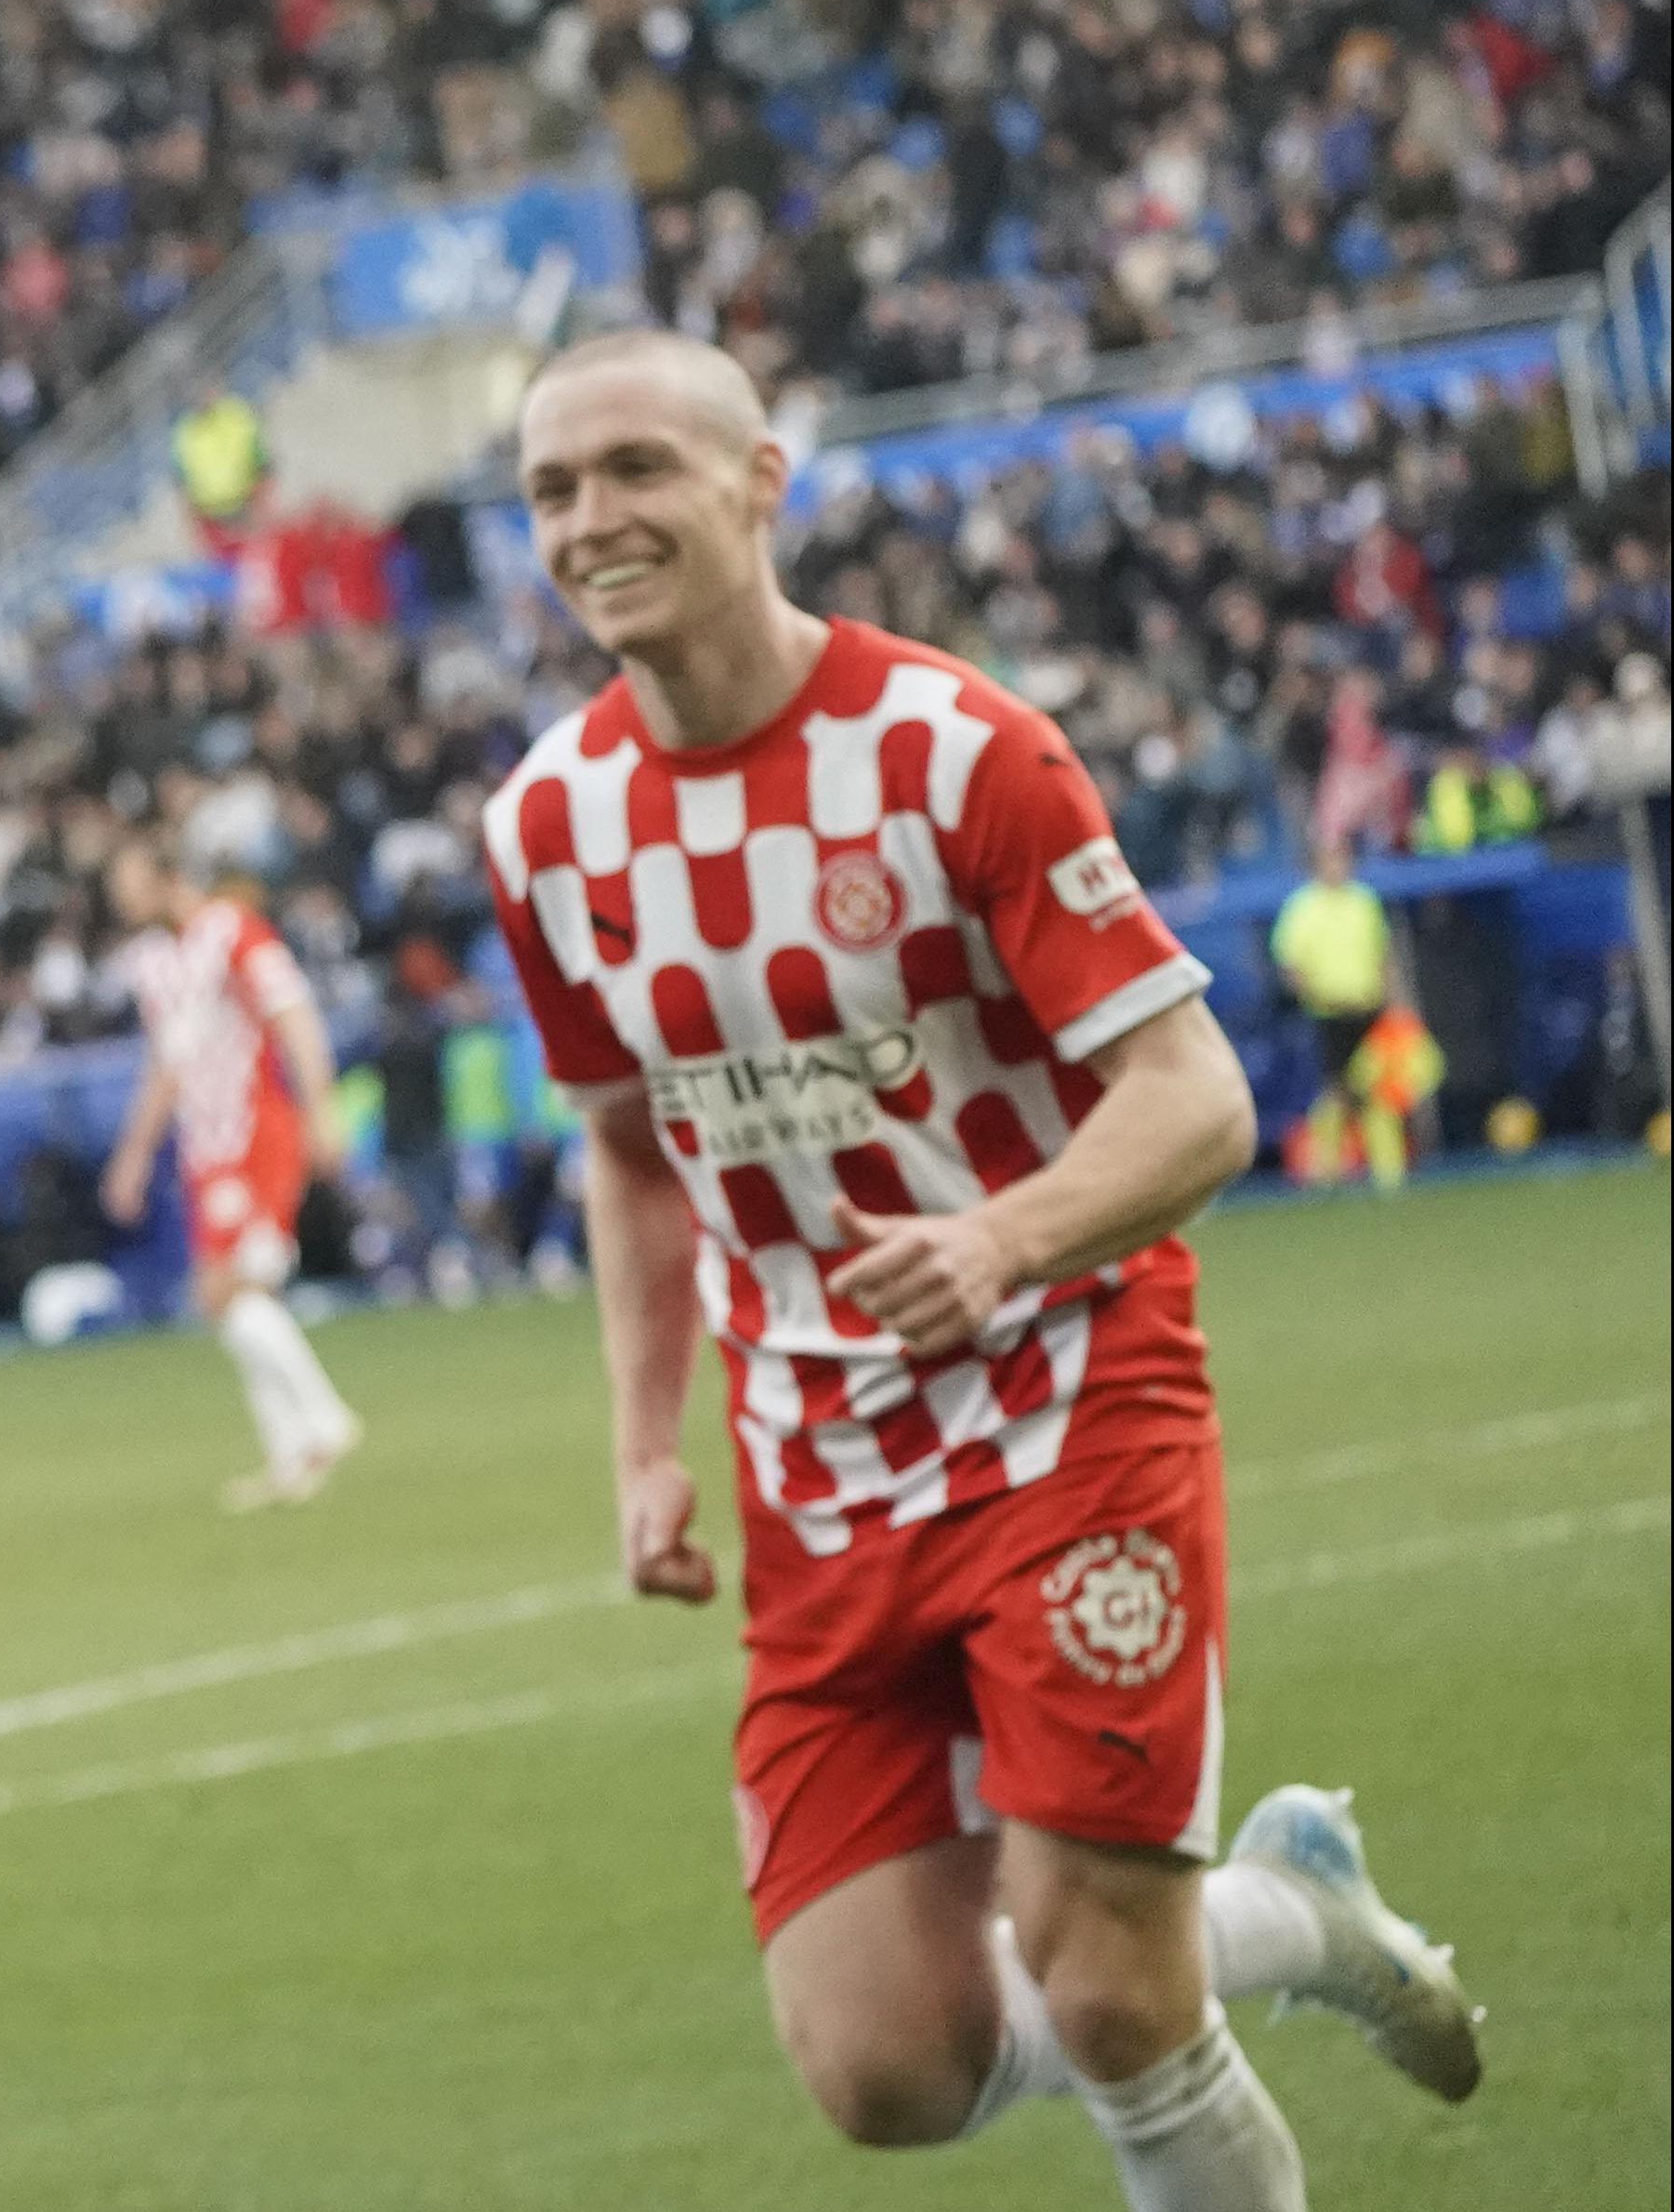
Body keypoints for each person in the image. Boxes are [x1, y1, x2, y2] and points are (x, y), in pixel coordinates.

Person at [482, 329, 1480, 2212]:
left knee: (1105, 1986)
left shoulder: (951, 750)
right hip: (813, 1474)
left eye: (634, 469)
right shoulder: (543, 826)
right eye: (548, 490)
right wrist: (640, 1441)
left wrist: (1001, 1237)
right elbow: (624, 1151)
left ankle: (1200, 1950)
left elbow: (1190, 1096)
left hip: (1058, 1404)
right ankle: (1288, 1910)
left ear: (757, 480)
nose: (590, 521)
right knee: (881, 2062)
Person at [99, 836, 361, 1508]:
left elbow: (295, 1016)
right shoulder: (153, 962)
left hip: (257, 1135)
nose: (120, 899)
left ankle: (325, 1419)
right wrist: (134, 1154)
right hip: (205, 1149)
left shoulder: (234, 931)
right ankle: (291, 1453)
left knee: (228, 1292)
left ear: (166, 878)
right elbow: (166, 1065)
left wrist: (321, 1110)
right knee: (235, 1300)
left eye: (129, 882)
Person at [1269, 837, 1404, 1190]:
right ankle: (1326, 1170)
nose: (1338, 867)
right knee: (1334, 1090)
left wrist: (1391, 998)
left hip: (1368, 1006)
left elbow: (1383, 952)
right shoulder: (1302, 907)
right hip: (1328, 1012)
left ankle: (1389, 1172)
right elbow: (1289, 963)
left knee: (1378, 1088)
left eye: (1342, 860)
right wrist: (1310, 994)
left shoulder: (1364, 901)